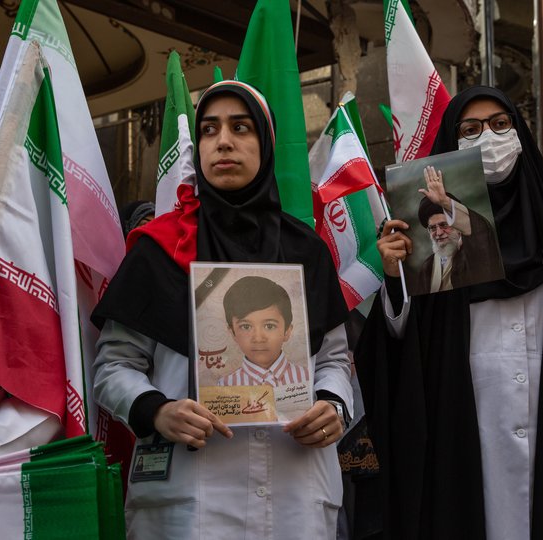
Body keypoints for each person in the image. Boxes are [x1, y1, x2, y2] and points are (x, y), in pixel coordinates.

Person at [354, 86, 543, 540]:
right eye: (471, 129)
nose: (489, 139)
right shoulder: (436, 240)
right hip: (461, 433)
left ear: (520, 133)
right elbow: (402, 345)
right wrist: (396, 275)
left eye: (500, 125)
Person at [91, 80, 352, 539]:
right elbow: (113, 366)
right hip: (190, 497)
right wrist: (156, 411)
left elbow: (334, 358)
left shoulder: (306, 250)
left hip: (294, 491)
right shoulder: (159, 249)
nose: (223, 141)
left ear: (266, 144)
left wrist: (332, 405)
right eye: (209, 130)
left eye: (240, 127)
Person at [415, 166, 501, 293]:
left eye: (444, 225)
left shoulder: (473, 254)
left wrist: (445, 202)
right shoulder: (427, 267)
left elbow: (480, 231)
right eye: (432, 228)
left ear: (458, 227)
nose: (439, 233)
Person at [217, 275, 308, 387]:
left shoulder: (306, 378)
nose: (258, 338)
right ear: (232, 333)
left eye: (269, 326)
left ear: (287, 331)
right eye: (246, 327)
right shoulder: (225, 385)